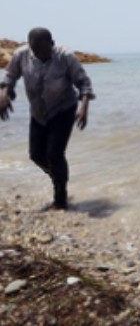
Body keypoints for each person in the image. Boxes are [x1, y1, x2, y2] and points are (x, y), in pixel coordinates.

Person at [0, 28, 95, 211]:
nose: (40, 56)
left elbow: (83, 83)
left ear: (52, 44)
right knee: (36, 155)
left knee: (54, 154)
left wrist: (84, 107)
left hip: (63, 109)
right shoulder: (21, 55)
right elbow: (10, 76)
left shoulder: (65, 56)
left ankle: (60, 200)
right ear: (30, 47)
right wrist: (4, 94)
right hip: (38, 111)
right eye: (36, 52)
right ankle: (58, 178)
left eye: (44, 51)